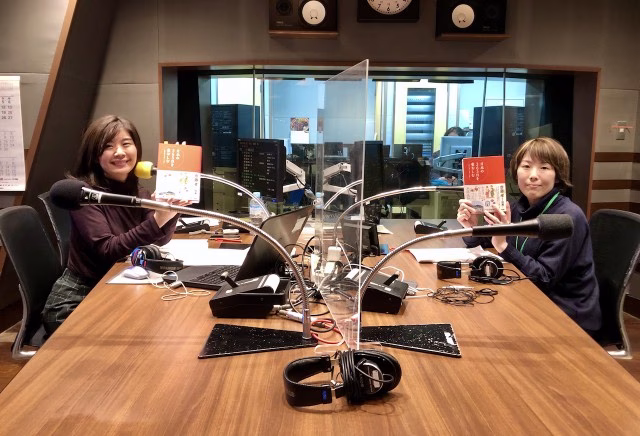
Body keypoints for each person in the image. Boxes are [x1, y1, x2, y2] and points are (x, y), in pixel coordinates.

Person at [43, 115, 189, 335]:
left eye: (126, 144)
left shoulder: (138, 192)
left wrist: (170, 213)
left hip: (115, 288)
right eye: (108, 146)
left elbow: (159, 239)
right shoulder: (85, 196)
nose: (120, 152)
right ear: (94, 155)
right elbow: (108, 250)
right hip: (76, 299)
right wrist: (158, 219)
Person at [456, 137, 601, 334]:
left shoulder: (567, 217)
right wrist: (472, 227)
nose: (533, 175)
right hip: (527, 296)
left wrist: (504, 246)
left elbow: (544, 279)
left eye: (544, 167)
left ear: (558, 175)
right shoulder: (520, 207)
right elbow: (485, 240)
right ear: (516, 171)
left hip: (565, 314)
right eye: (526, 166)